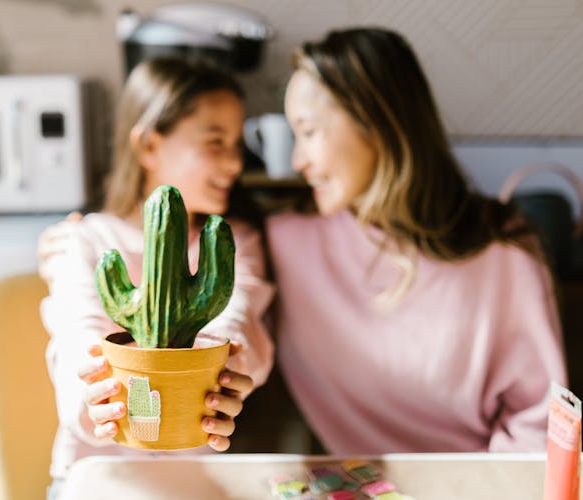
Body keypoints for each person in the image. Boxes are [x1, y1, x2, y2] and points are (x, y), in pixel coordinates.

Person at [267, 27, 566, 455]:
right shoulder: (285, 243)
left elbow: (538, 426)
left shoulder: (504, 250)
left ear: (376, 121)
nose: (298, 162)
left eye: (309, 132)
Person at [38, 56, 274, 499]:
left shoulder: (230, 239)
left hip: (192, 480)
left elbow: (240, 319)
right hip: (97, 475)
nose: (234, 163)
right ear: (148, 146)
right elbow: (77, 336)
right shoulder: (84, 240)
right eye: (215, 142)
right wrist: (94, 403)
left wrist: (228, 371)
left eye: (237, 144)